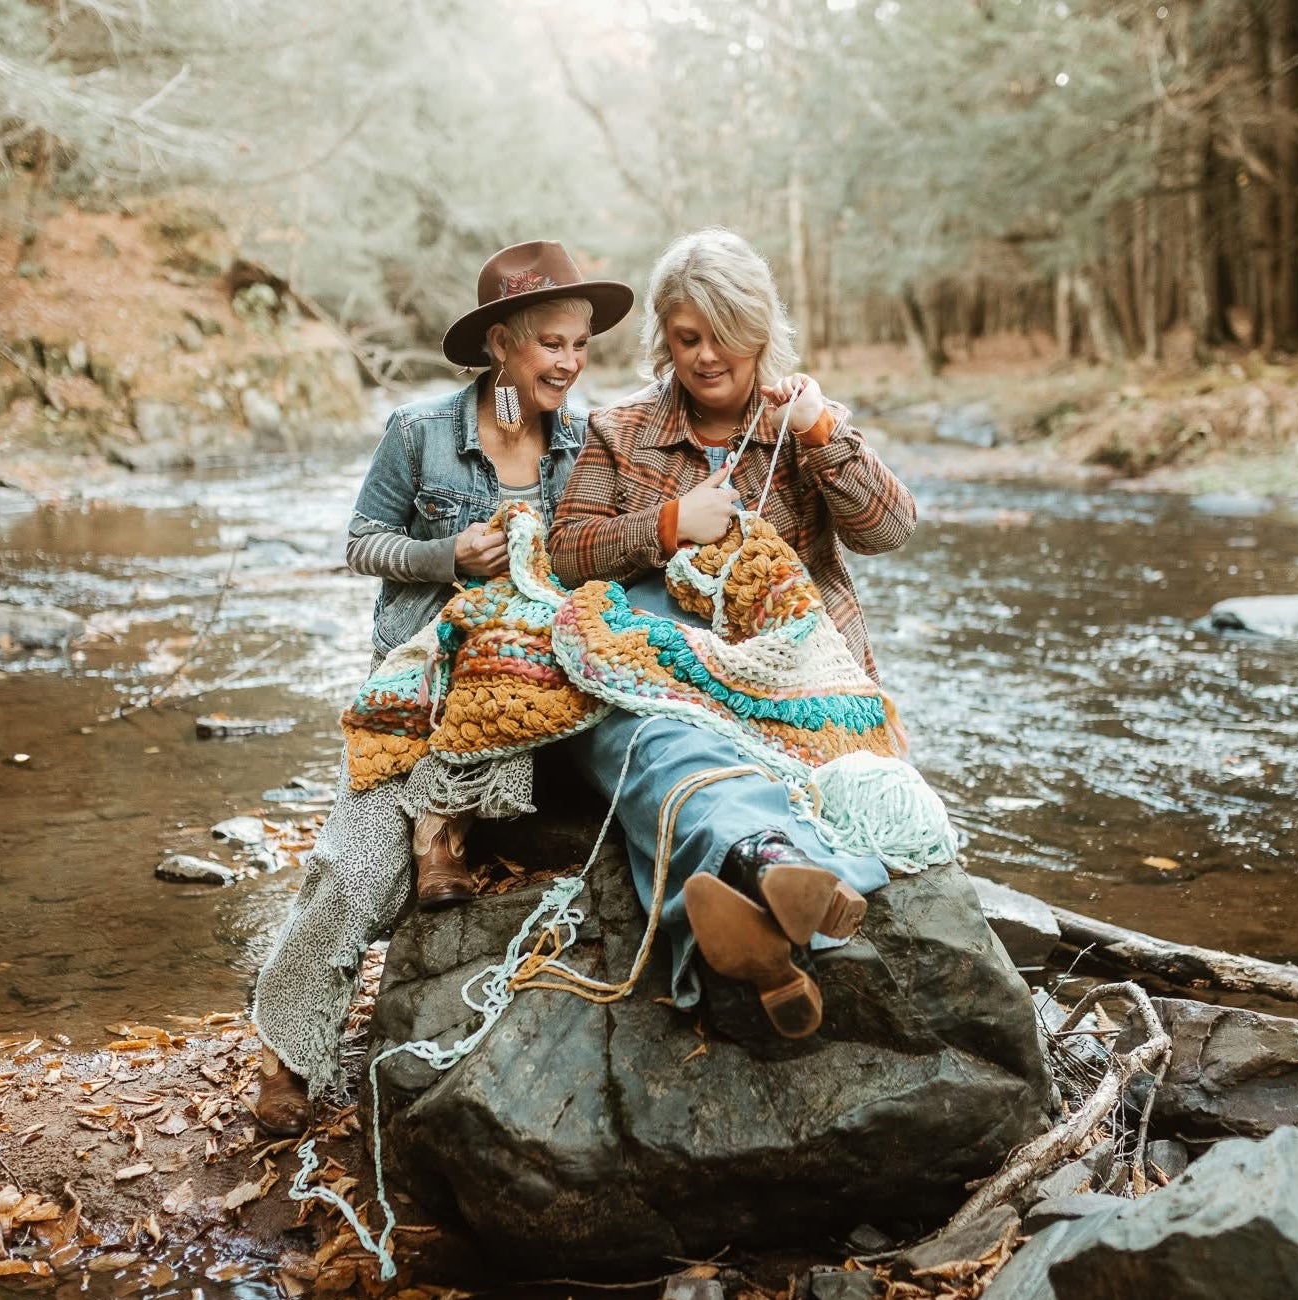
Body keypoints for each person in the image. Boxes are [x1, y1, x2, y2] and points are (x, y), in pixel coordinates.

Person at [249, 241, 632, 1134]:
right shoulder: (418, 434)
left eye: (580, 345)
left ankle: (442, 833)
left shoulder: (589, 445)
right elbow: (360, 544)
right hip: (412, 691)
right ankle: (284, 1056)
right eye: (550, 344)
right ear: (500, 343)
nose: (570, 364)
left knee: (509, 636)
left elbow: (601, 561)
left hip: (530, 700)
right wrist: (443, 556)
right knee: (350, 865)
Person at [548, 228, 916, 1039]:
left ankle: (762, 892)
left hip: (797, 675)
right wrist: (667, 523)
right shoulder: (621, 431)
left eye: (724, 335)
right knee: (667, 746)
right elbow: (564, 553)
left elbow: (890, 531)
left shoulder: (806, 422)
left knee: (792, 768)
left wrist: (823, 437)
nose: (706, 356)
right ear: (663, 337)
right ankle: (782, 874)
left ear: (759, 332)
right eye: (686, 337)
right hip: (667, 672)